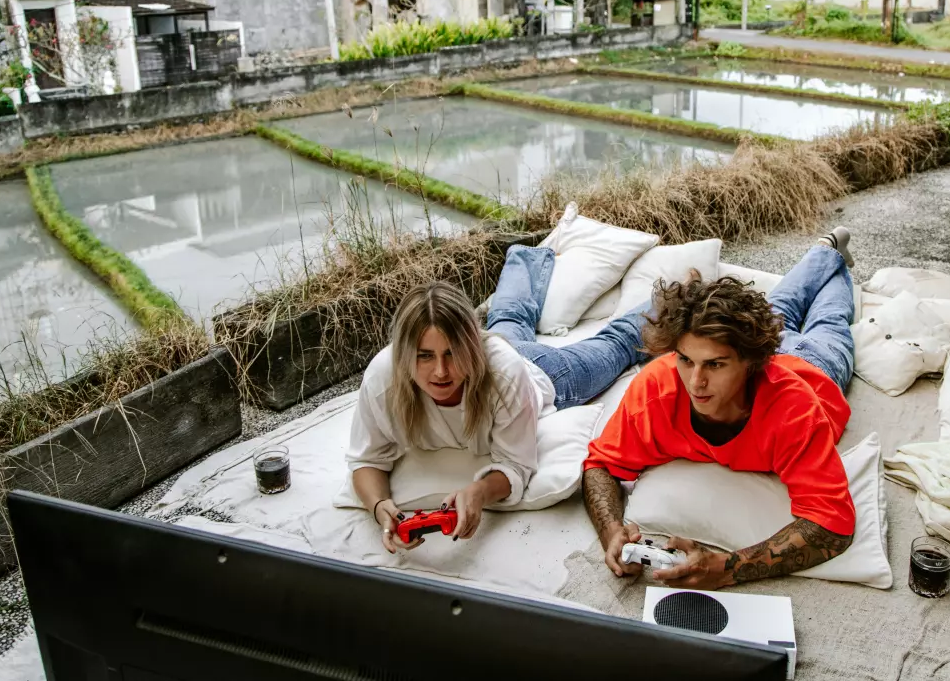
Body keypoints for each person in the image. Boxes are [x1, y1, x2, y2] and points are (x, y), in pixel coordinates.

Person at [582, 228, 858, 591]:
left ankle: (833, 257)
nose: (695, 382)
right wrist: (611, 531)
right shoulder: (656, 389)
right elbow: (600, 464)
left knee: (829, 321)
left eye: (714, 365)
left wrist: (729, 567)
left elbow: (833, 525)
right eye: (685, 360)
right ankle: (823, 250)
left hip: (816, 367)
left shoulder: (793, 410)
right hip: (759, 349)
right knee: (780, 310)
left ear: (750, 363)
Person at [347, 245, 648, 554]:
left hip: (545, 371)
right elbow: (366, 460)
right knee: (508, 318)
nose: (440, 372)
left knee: (617, 344)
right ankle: (522, 256)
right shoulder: (383, 378)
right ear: (404, 355)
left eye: (452, 353)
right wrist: (379, 505)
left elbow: (516, 464)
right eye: (425, 356)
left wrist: (479, 492)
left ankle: (679, 296)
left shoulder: (504, 371)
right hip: (500, 352)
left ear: (471, 345)